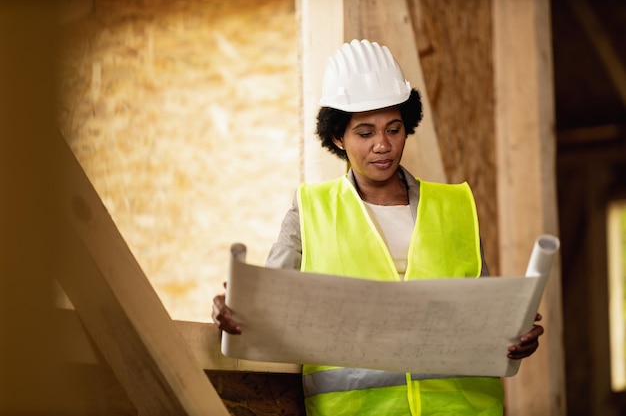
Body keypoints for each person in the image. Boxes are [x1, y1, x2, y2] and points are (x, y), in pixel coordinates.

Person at [213, 39, 544, 416]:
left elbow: (483, 319)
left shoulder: (455, 207)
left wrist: (513, 335)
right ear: (338, 136)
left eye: (394, 128)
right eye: (365, 133)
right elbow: (269, 312)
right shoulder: (309, 210)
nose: (383, 145)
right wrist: (235, 314)